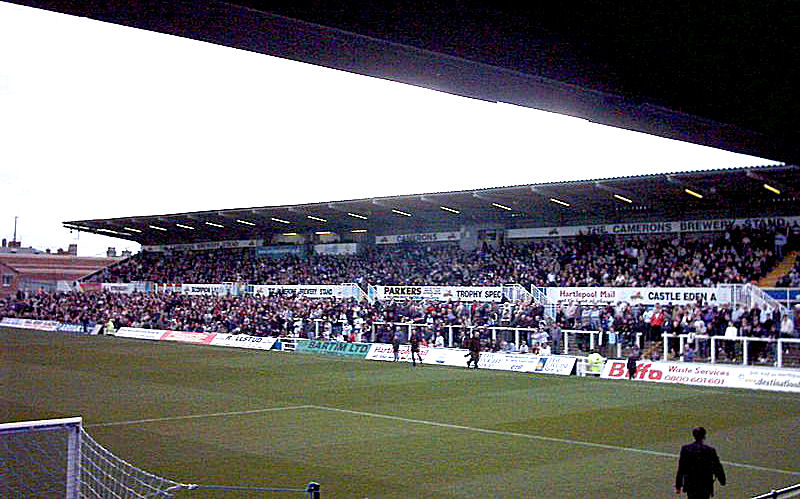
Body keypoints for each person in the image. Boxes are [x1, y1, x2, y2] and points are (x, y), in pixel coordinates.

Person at [675, 426, 726, 498]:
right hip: (705, 484)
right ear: (704, 436)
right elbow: (717, 467)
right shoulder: (710, 450)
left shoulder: (686, 449)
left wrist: (678, 485)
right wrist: (722, 480)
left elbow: (681, 469)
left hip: (691, 484)